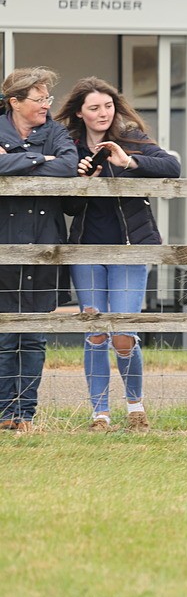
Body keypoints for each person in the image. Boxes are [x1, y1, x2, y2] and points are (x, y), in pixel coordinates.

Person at [55, 78, 181, 432]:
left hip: (131, 248)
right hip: (86, 250)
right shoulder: (69, 146)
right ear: (80, 112)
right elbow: (63, 205)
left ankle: (135, 406)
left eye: (107, 106)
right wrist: (82, 180)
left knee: (124, 333)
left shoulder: (132, 137)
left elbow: (172, 167)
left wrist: (129, 162)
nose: (102, 114)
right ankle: (100, 414)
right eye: (94, 108)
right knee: (95, 332)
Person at [0, 67, 78, 432]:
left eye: (48, 98)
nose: (47, 105)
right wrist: (39, 159)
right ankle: (4, 414)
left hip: (45, 249)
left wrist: (22, 160)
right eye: (39, 99)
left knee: (33, 337)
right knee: (3, 335)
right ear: (14, 102)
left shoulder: (56, 132)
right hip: (5, 248)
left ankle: (26, 414)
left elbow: (67, 166)